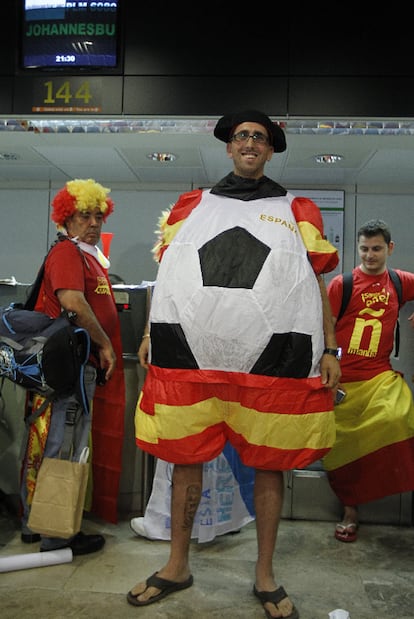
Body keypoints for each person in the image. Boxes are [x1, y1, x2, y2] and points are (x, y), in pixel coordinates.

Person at [127, 109, 341, 619]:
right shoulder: (191, 207)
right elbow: (173, 273)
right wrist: (146, 330)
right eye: (242, 136)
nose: (250, 143)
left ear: (270, 150)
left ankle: (264, 575)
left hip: (276, 361)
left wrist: (330, 347)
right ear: (229, 146)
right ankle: (177, 564)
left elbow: (316, 282)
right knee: (184, 460)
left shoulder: (298, 209)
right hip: (188, 357)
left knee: (269, 465)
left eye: (260, 138)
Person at [20, 178, 125, 555]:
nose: (94, 223)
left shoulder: (85, 255)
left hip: (76, 366)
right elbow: (74, 304)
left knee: (57, 442)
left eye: (99, 216)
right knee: (63, 445)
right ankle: (56, 533)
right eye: (85, 216)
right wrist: (105, 345)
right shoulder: (68, 253)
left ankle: (39, 521)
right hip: (71, 368)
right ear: (67, 217)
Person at [323, 218, 414, 543]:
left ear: (389, 249)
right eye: (364, 249)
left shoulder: (400, 282)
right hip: (345, 383)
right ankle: (350, 512)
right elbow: (327, 326)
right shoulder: (342, 285)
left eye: (376, 249)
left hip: (380, 377)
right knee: (344, 448)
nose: (370, 255)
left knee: (398, 418)